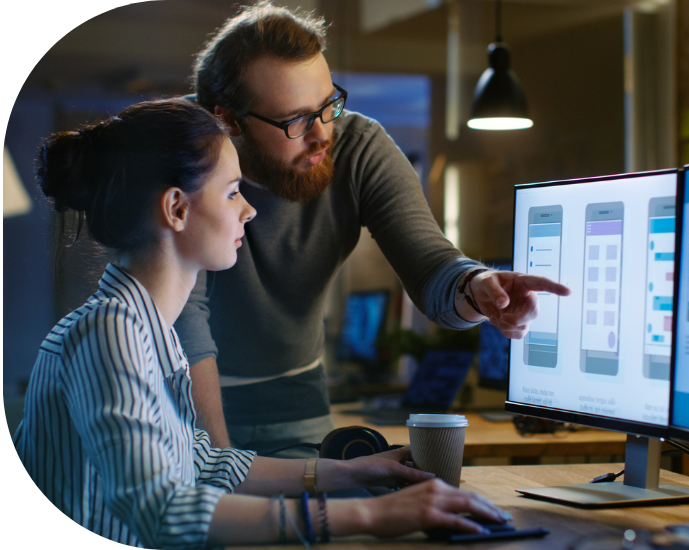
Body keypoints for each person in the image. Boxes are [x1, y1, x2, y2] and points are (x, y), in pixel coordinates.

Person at [14, 98, 510, 548]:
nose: (249, 210)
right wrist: (370, 514)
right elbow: (160, 509)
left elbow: (206, 465)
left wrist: (351, 471)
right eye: (232, 193)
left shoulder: (145, 329)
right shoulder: (109, 334)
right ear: (177, 208)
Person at [176, 0, 570, 454]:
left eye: (328, 106)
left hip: (294, 395)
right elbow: (186, 323)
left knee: (332, 515)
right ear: (227, 120)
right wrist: (221, 464)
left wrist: (475, 285)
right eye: (296, 120)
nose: (323, 133)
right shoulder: (176, 150)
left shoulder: (360, 148)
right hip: (181, 392)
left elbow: (429, 263)